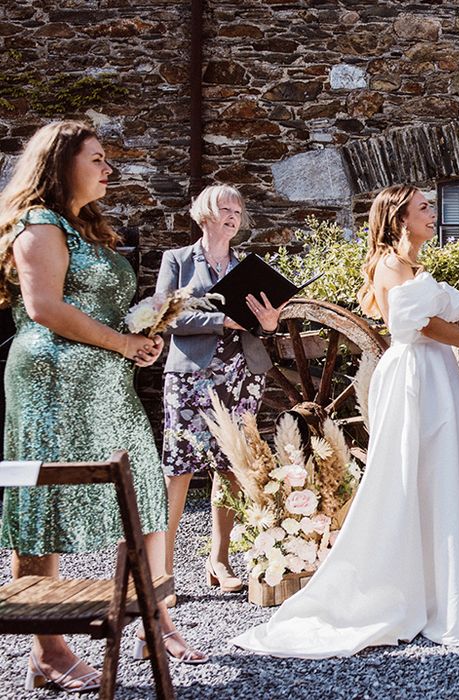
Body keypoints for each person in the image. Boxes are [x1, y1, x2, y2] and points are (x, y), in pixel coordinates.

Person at [230, 184, 459, 658]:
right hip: (414, 377)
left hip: (436, 374)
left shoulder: (413, 266)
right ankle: (409, 595)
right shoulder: (389, 264)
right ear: (400, 219)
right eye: (423, 207)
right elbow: (425, 327)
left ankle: (455, 593)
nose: (433, 212)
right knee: (414, 476)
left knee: (446, 474)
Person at [0, 121, 207, 693]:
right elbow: (43, 307)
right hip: (52, 379)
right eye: (97, 159)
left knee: (139, 483)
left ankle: (153, 620)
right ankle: (49, 650)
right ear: (61, 163)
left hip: (106, 380)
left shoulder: (87, 228)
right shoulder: (38, 225)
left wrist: (140, 338)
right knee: (46, 498)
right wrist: (122, 342)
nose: (108, 169)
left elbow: (95, 308)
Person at [155, 184, 280, 598]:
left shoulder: (247, 267)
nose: (233, 216)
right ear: (204, 214)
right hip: (191, 376)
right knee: (179, 470)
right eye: (225, 208)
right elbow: (166, 317)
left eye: (238, 211)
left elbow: (260, 324)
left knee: (230, 467)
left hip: (242, 374)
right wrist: (220, 322)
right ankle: (163, 571)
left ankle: (219, 560)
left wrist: (269, 321)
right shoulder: (177, 260)